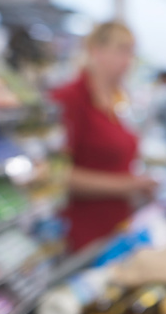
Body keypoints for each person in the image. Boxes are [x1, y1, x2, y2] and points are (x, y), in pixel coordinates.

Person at [52, 22, 157, 251]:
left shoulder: (117, 100)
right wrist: (127, 185)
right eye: (121, 50)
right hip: (85, 232)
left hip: (117, 225)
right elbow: (57, 174)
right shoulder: (69, 99)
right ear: (95, 51)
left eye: (131, 52)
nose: (128, 61)